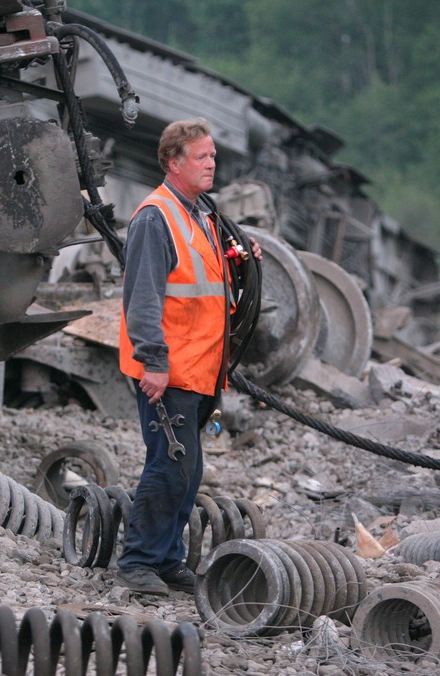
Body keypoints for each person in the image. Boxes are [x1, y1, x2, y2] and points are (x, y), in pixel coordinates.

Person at [115, 118, 261, 595]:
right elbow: (144, 298)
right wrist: (153, 361)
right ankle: (138, 563)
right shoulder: (155, 218)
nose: (212, 164)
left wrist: (241, 257)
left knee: (189, 468)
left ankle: (167, 559)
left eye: (213, 156)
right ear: (173, 162)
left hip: (201, 370)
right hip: (171, 371)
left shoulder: (199, 214)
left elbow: (207, 286)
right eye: (202, 157)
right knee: (169, 465)